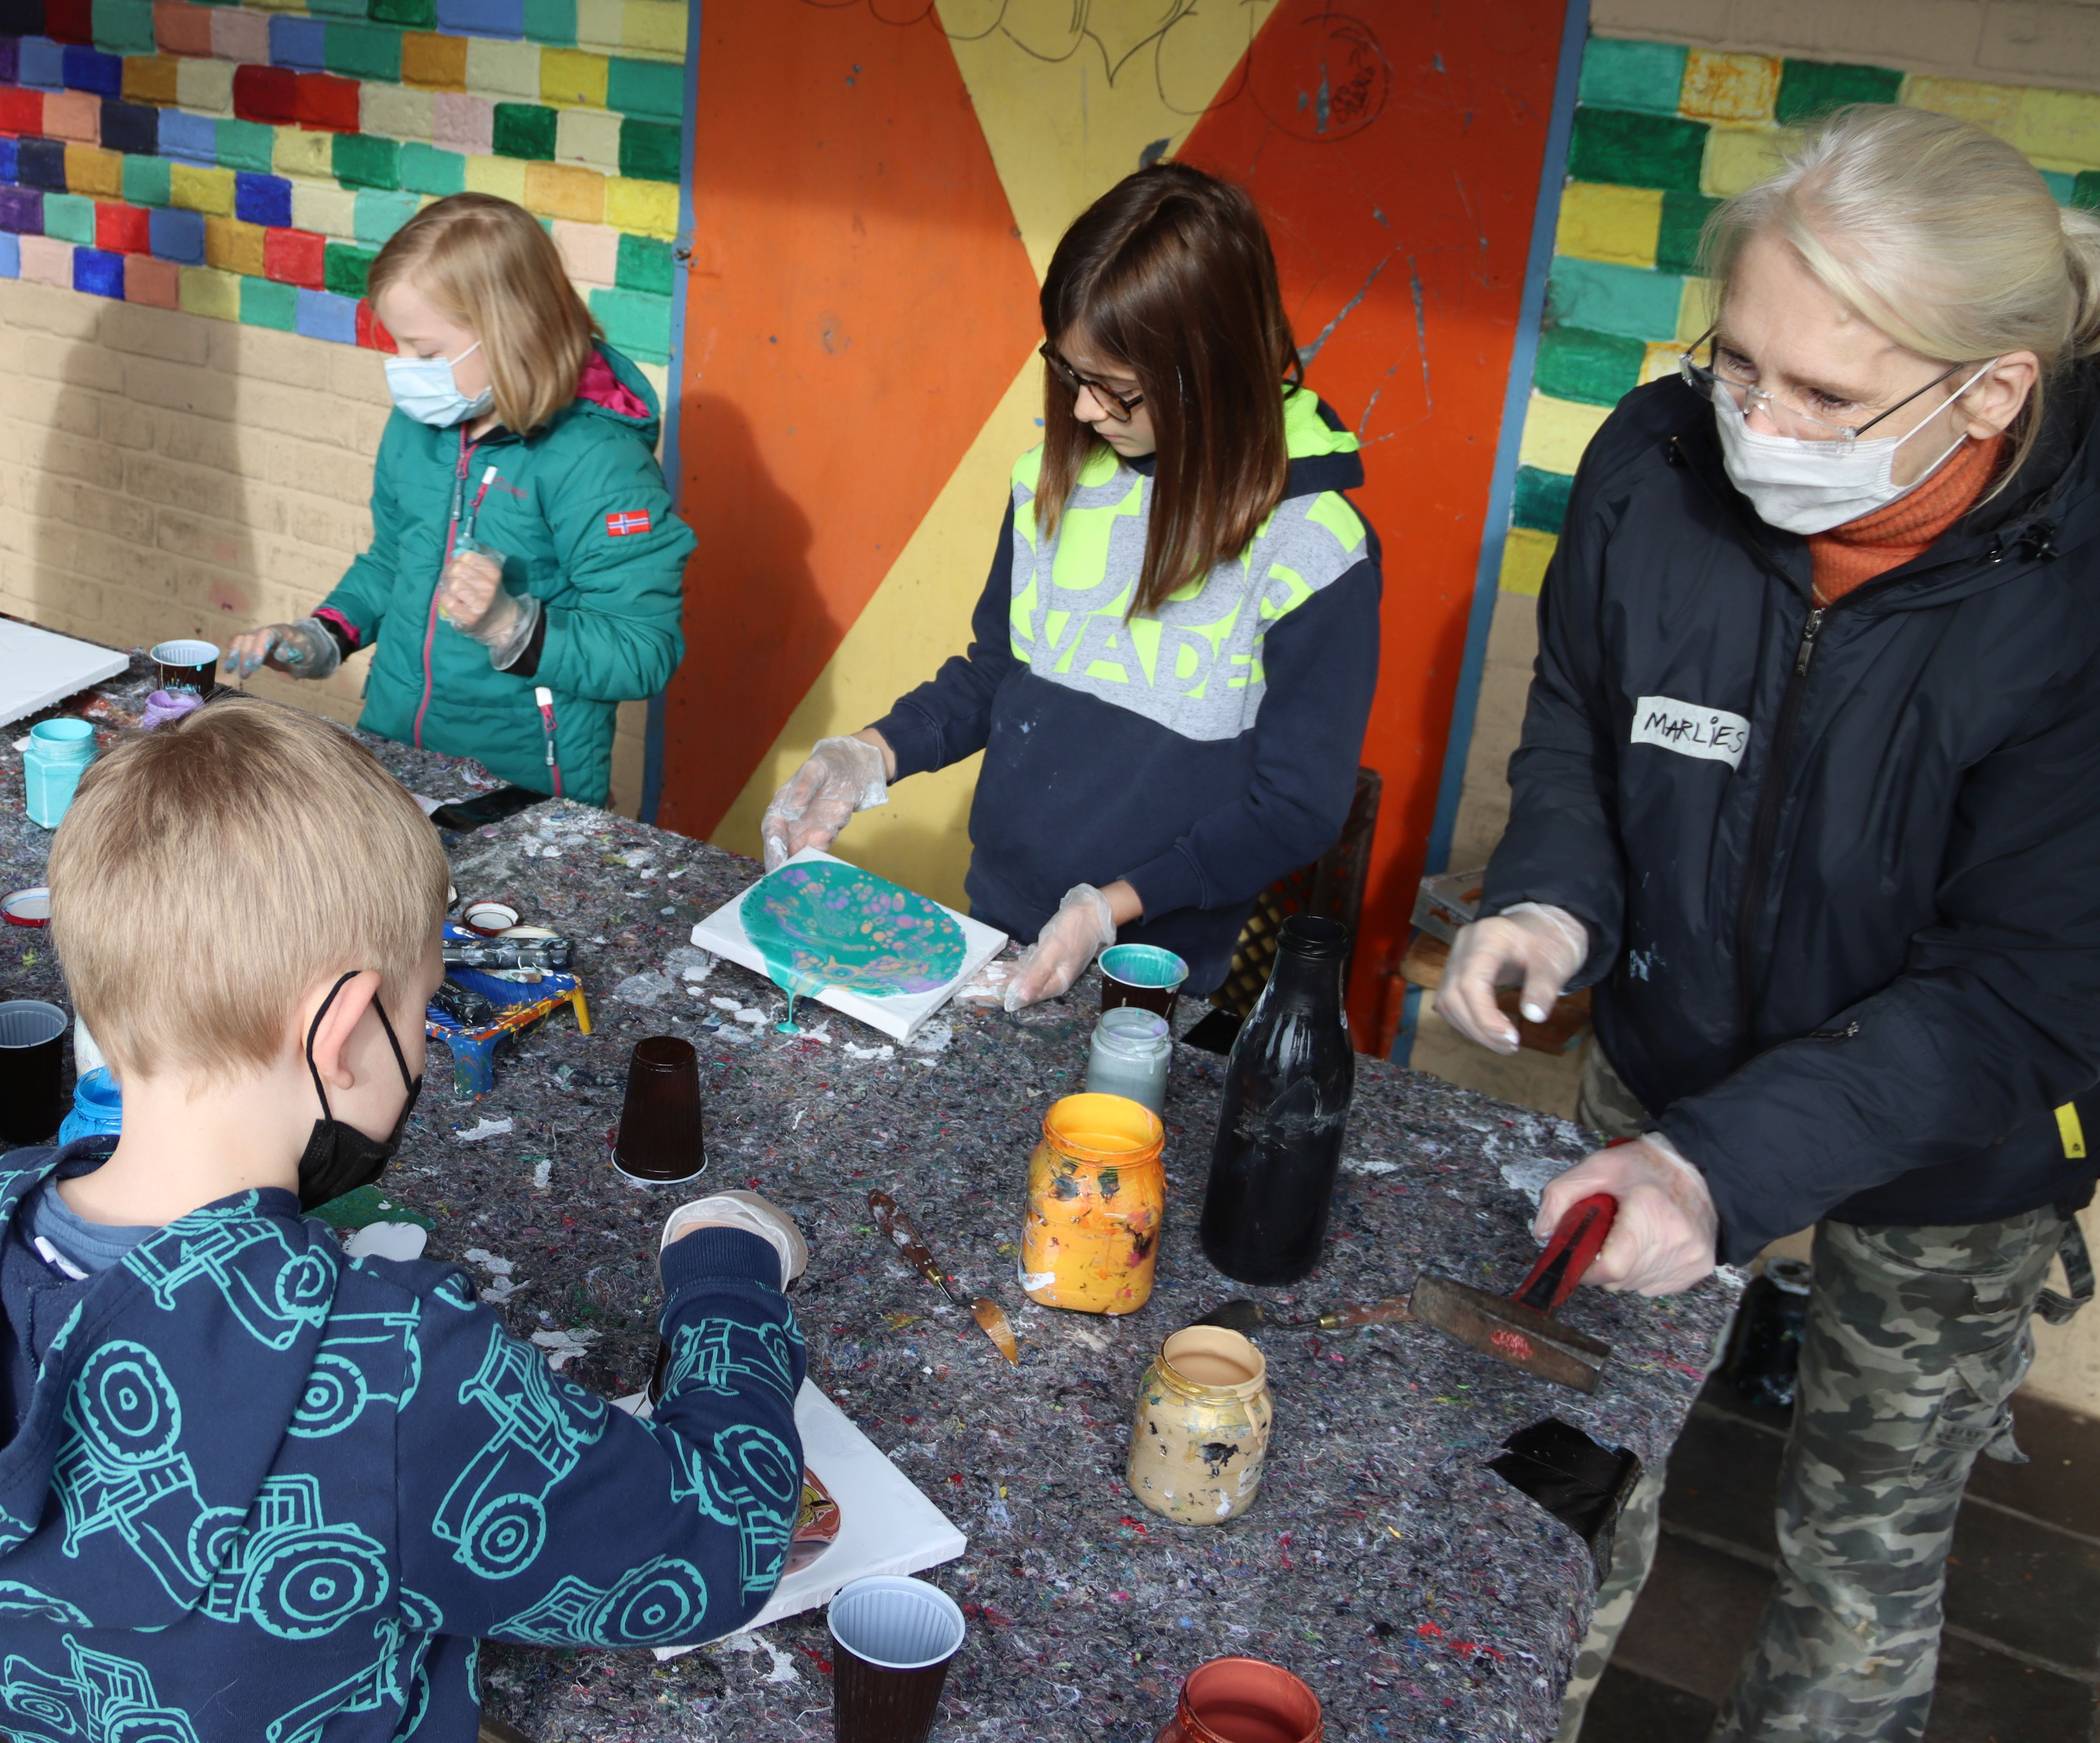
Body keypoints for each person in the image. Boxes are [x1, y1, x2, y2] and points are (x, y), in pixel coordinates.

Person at [1438, 106, 2100, 1742]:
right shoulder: (1654, 465)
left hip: (1958, 1147)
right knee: (1570, 1479)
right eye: (1735, 360)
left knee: (1860, 1560)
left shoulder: (2078, 594)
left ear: (1993, 389)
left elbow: (2031, 985)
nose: (1757, 424)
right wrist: (1553, 896)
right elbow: (1590, 713)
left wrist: (1724, 1168)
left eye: (1824, 395)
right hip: (1666, 1050)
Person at [0, 696, 807, 1739]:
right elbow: (717, 1546)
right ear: (342, 1030)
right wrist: (728, 1279)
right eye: (422, 1011)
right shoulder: (388, 1366)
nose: (420, 1052)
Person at [760, 163, 1381, 1009]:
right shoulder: (1056, 477)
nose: (1085, 411)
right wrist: (869, 751)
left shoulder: (1314, 549)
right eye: (1069, 373)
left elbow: (1296, 808)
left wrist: (1110, 907)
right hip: (998, 922)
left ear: (1213, 370)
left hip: (1151, 969)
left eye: (1117, 389)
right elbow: (998, 673)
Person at [227, 193, 692, 808]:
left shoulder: (597, 462)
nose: (405, 370)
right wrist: (318, 637)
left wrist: (510, 625)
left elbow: (642, 651)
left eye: (426, 352)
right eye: (398, 346)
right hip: (395, 758)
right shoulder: (422, 426)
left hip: (524, 789)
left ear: (509, 331)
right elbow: (394, 562)